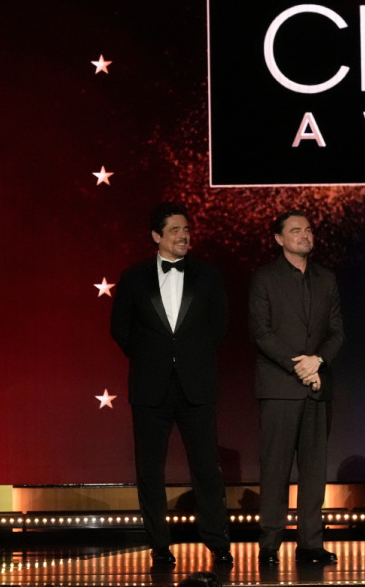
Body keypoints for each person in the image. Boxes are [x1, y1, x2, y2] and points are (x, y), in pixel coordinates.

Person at [110, 202, 233, 567]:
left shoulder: (207, 276)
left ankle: (218, 543)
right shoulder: (134, 278)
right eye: (176, 230)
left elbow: (219, 325)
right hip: (150, 388)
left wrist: (189, 356)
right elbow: (120, 329)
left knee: (207, 469)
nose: (184, 236)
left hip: (197, 386)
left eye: (187, 229)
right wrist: (153, 357)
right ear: (156, 236)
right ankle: (159, 546)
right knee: (150, 471)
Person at [248, 210, 345, 565]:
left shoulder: (326, 278)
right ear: (279, 238)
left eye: (308, 229)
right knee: (275, 468)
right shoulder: (264, 278)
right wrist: (300, 366)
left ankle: (310, 543)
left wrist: (317, 361)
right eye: (295, 230)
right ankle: (270, 543)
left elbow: (336, 332)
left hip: (318, 386)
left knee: (314, 470)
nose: (304, 235)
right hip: (280, 386)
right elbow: (261, 333)